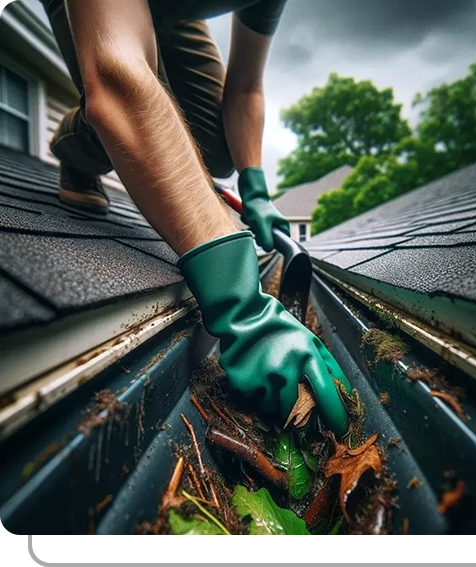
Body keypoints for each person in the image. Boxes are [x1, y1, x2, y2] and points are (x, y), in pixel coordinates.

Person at [40, 0, 350, 436]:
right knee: (122, 99)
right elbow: (116, 77)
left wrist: (255, 187)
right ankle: (75, 146)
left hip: (174, 10)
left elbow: (245, 91)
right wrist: (239, 302)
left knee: (211, 148)